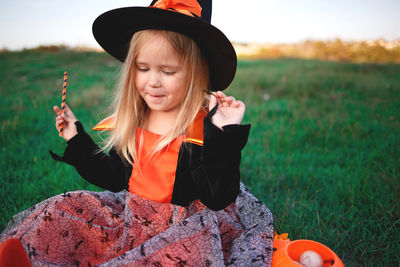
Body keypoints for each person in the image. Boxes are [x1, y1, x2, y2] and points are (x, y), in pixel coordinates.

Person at [0, 0, 273, 266]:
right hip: (131, 219)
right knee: (63, 211)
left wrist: (222, 134)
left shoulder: (200, 130)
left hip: (183, 230)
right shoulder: (136, 121)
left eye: (167, 71)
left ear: (196, 74)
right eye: (143, 68)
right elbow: (115, 177)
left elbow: (217, 197)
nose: (153, 81)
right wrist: (75, 138)